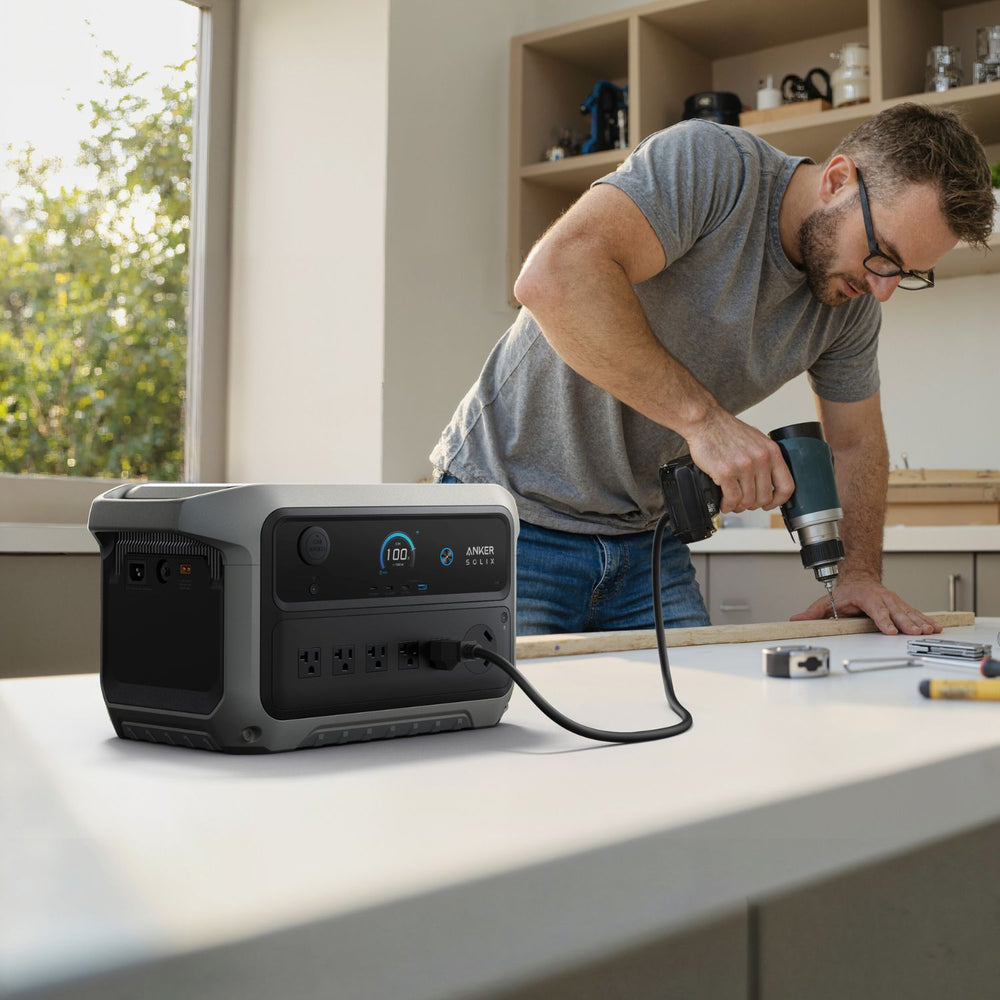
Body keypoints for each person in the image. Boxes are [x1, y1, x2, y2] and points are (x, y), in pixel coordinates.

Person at [431, 102, 995, 637]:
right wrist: (706, 424)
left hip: (645, 538)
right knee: (493, 705)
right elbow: (553, 277)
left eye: (907, 273)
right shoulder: (713, 167)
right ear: (837, 180)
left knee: (694, 709)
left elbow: (856, 444)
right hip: (510, 517)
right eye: (883, 254)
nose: (884, 289)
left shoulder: (851, 304)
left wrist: (859, 575)